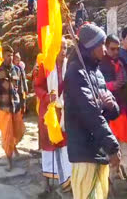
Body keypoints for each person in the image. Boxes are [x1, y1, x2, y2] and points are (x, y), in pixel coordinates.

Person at [64, 24, 120, 199]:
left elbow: (110, 110)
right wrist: (112, 147)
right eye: (101, 45)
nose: (104, 50)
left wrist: (112, 106)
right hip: (84, 151)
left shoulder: (97, 73)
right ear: (90, 47)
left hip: (97, 149)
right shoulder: (76, 72)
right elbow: (90, 114)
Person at [100, 34, 127, 198]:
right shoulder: (100, 65)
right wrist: (111, 85)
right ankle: (109, 191)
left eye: (117, 49)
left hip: (125, 114)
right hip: (108, 118)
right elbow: (95, 87)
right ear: (106, 47)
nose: (115, 52)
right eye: (112, 49)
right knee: (110, 155)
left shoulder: (124, 63)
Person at [34, 38, 72, 193]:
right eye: (61, 48)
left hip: (64, 110)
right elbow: (37, 86)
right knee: (48, 144)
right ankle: (47, 181)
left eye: (65, 48)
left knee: (64, 144)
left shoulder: (69, 65)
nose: (63, 51)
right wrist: (46, 96)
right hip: (49, 110)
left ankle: (66, 180)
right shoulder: (45, 66)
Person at [0, 45, 26, 171]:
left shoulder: (17, 70)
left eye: (11, 55)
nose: (10, 58)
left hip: (16, 106)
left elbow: (21, 89)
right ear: (3, 56)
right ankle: (9, 160)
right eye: (7, 55)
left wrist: (23, 104)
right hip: (4, 107)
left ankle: (13, 146)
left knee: (19, 131)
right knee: (7, 135)